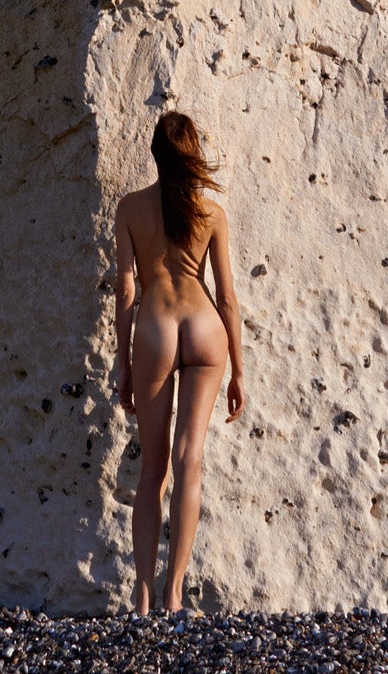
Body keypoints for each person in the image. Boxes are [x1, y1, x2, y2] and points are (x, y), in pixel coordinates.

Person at [113, 110, 245, 615]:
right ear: (193, 157)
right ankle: (174, 596)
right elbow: (228, 299)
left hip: (155, 329)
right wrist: (238, 367)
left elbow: (127, 291)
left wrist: (124, 363)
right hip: (206, 327)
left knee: (154, 470)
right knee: (191, 462)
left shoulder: (129, 209)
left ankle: (143, 596)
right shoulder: (211, 214)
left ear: (154, 154)